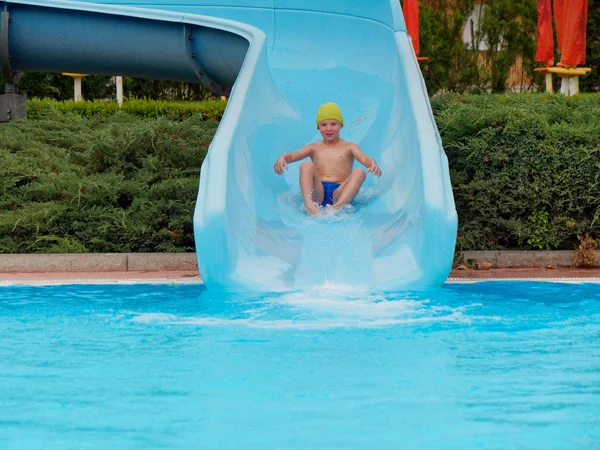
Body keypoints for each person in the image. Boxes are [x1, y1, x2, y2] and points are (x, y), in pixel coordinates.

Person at [273, 102, 382, 216]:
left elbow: (364, 158)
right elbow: (293, 156)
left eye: (333, 124)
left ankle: (336, 207)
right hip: (318, 192)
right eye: (324, 125)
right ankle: (310, 205)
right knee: (306, 165)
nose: (328, 128)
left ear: (341, 125)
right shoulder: (313, 147)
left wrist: (372, 164)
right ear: (318, 127)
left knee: (359, 172)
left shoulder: (349, 147)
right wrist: (283, 158)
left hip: (340, 193)